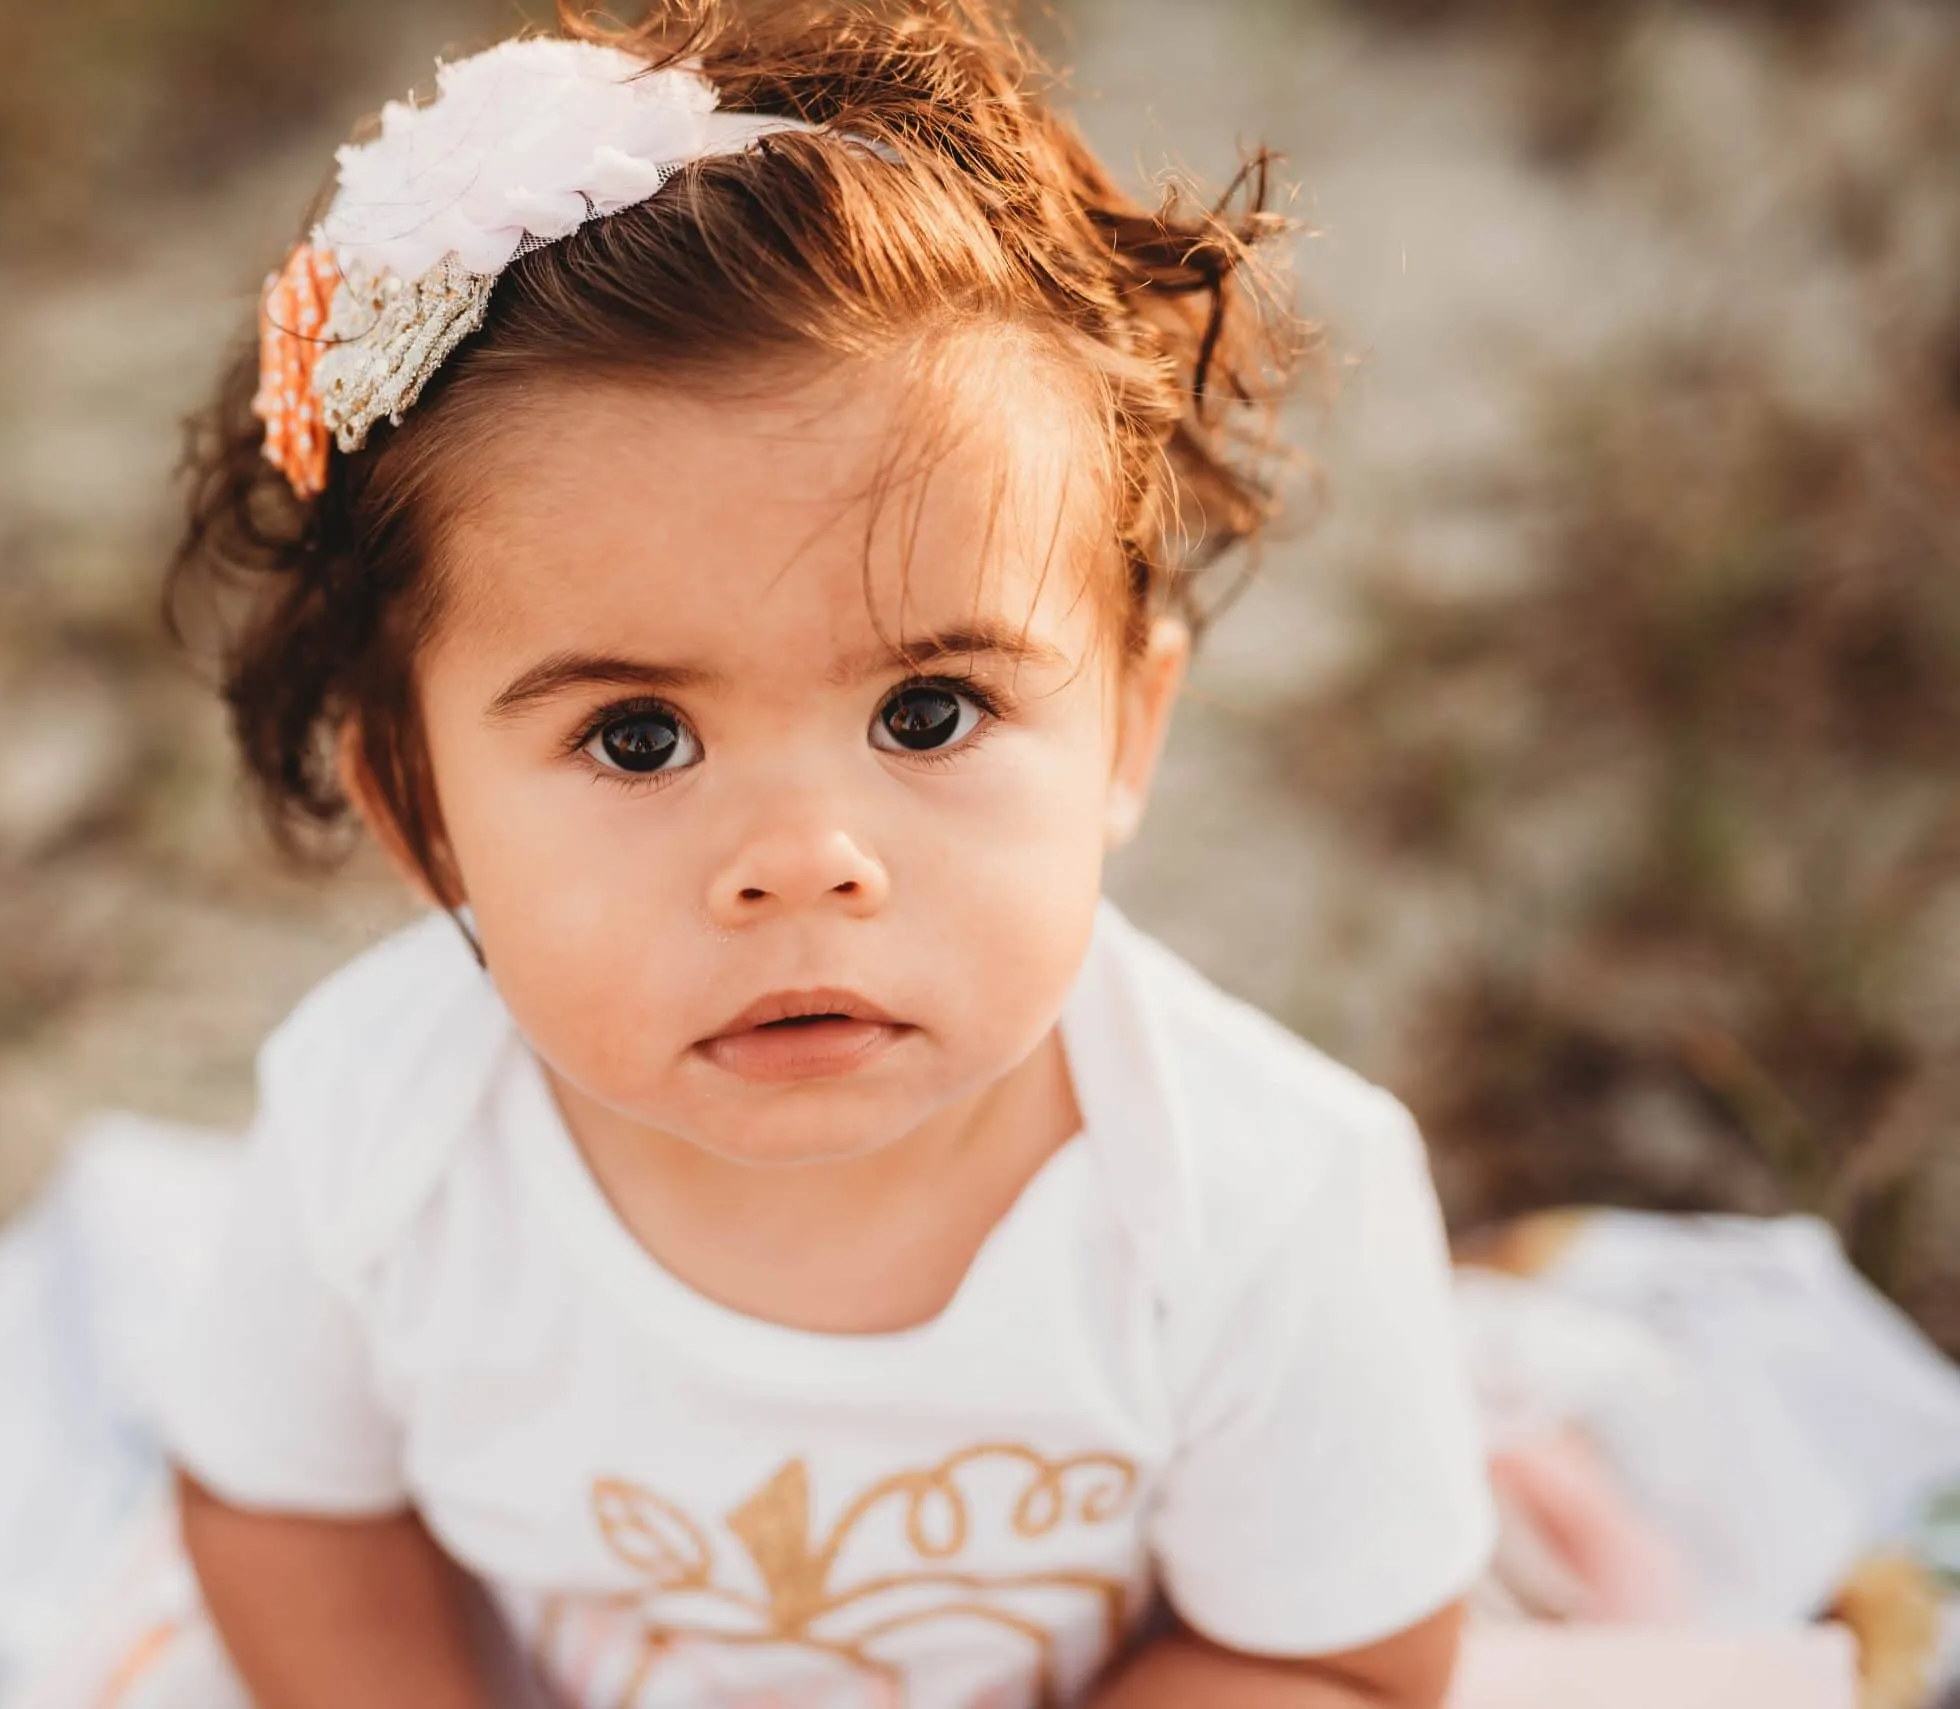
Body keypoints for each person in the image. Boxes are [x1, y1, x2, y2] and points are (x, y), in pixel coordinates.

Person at [158, 3, 1495, 1705]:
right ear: (419, 810)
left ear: (1126, 737)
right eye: (638, 739)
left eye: (929, 715)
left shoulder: (1260, 1203)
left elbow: (1345, 1661)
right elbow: (288, 1513)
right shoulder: (379, 1130)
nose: (803, 862)